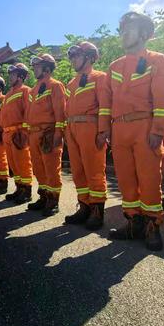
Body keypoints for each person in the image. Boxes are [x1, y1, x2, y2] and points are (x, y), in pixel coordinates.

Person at [104, 12, 164, 251]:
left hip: (145, 127)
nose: (123, 34)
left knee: (149, 178)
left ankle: (153, 225)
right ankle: (134, 222)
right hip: (119, 129)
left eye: (129, 29)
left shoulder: (158, 60)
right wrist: (106, 130)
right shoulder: (114, 66)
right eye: (121, 30)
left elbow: (163, 99)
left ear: (144, 33)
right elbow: (107, 103)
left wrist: (158, 130)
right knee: (125, 179)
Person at [64, 42, 108, 230]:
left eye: (77, 55)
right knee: (78, 170)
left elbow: (106, 107)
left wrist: (103, 131)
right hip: (72, 128)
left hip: (90, 127)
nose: (73, 59)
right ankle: (84, 206)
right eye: (71, 56)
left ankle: (97, 211)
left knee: (94, 170)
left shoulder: (100, 78)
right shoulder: (71, 83)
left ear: (90, 57)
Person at [26, 54, 66, 216]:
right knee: (38, 169)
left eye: (37, 65)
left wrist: (58, 134)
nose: (34, 68)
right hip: (34, 134)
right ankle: (43, 197)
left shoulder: (55, 85)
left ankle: (53, 200)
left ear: (47, 68)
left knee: (51, 168)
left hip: (48, 133)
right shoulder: (34, 89)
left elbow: (60, 112)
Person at [0, 63, 33, 204]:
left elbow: (29, 112)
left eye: (12, 75)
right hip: (8, 134)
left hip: (19, 133)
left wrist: (24, 132)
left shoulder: (26, 91)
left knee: (23, 163)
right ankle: (19, 188)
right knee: (14, 164)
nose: (10, 78)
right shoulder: (8, 94)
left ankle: (27, 191)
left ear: (20, 76)